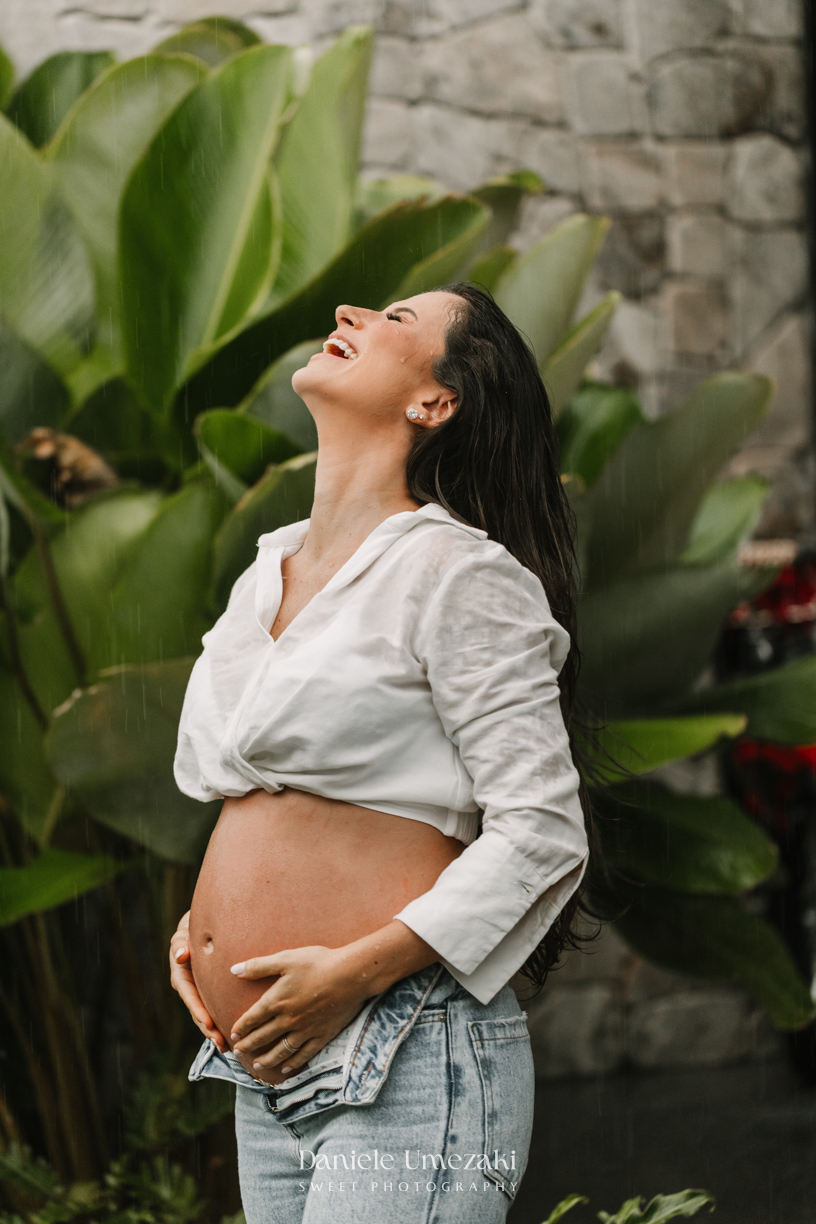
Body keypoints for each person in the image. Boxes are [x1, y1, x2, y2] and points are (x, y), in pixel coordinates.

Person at [169, 284, 590, 1224]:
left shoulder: (459, 574)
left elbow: (544, 832)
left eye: (396, 320)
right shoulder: (266, 568)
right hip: (263, 1066)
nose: (353, 312)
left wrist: (350, 976)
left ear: (436, 403)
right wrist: (203, 937)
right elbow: (268, 798)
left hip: (403, 1049)